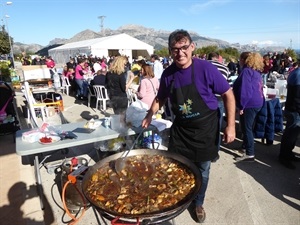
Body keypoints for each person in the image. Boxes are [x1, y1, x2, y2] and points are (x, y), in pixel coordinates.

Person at [141, 29, 236, 223]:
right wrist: (150, 114)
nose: (180, 53)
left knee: (203, 170)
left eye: (184, 47)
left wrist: (230, 126)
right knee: (175, 167)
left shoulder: (206, 69)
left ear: (192, 47)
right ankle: (176, 198)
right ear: (170, 51)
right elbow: (160, 97)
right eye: (175, 49)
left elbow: (228, 94)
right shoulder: (168, 74)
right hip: (182, 129)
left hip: (205, 129)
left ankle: (198, 202)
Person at [233, 52, 264, 162]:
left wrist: (241, 106)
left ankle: (250, 154)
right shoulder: (256, 72)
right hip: (258, 102)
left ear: (244, 60)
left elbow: (245, 90)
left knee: (247, 129)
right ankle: (245, 146)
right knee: (249, 126)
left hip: (249, 104)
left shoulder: (246, 71)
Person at [207, 52, 230, 162]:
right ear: (218, 58)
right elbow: (227, 88)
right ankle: (215, 153)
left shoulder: (203, 65)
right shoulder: (225, 68)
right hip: (219, 99)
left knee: (204, 125)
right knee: (217, 126)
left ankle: (205, 150)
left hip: (205, 99)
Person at [278, 61, 300, 169]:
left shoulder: (295, 72)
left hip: (293, 109)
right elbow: (297, 96)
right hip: (294, 110)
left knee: (292, 134)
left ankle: (288, 154)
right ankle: (284, 157)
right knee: (290, 135)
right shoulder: (298, 75)